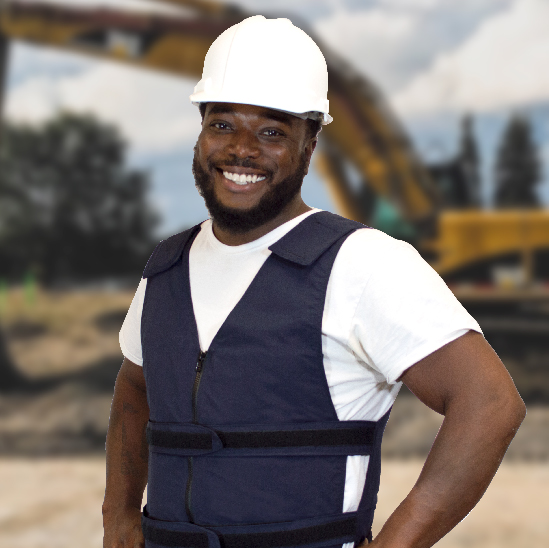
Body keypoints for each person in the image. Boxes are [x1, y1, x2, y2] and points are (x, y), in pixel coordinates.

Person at [103, 15, 526, 548]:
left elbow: (490, 404)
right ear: (201, 129)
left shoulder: (363, 263)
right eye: (223, 124)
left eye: (273, 132)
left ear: (309, 144)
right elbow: (136, 388)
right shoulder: (166, 269)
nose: (242, 149)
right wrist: (118, 516)